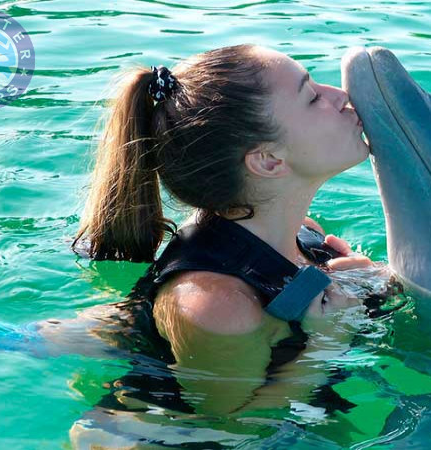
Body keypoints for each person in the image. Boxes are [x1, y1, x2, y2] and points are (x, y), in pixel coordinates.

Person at [68, 43, 398, 420]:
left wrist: (367, 284)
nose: (340, 96)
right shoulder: (216, 305)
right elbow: (230, 427)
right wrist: (326, 342)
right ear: (268, 161)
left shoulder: (303, 235)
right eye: (311, 97)